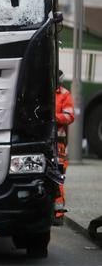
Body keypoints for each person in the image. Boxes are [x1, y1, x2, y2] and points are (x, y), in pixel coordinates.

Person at [54, 70, 74, 224]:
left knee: (58, 177)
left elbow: (69, 116)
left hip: (58, 144)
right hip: (43, 141)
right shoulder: (40, 91)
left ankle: (58, 213)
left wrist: (53, 117)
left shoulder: (65, 94)